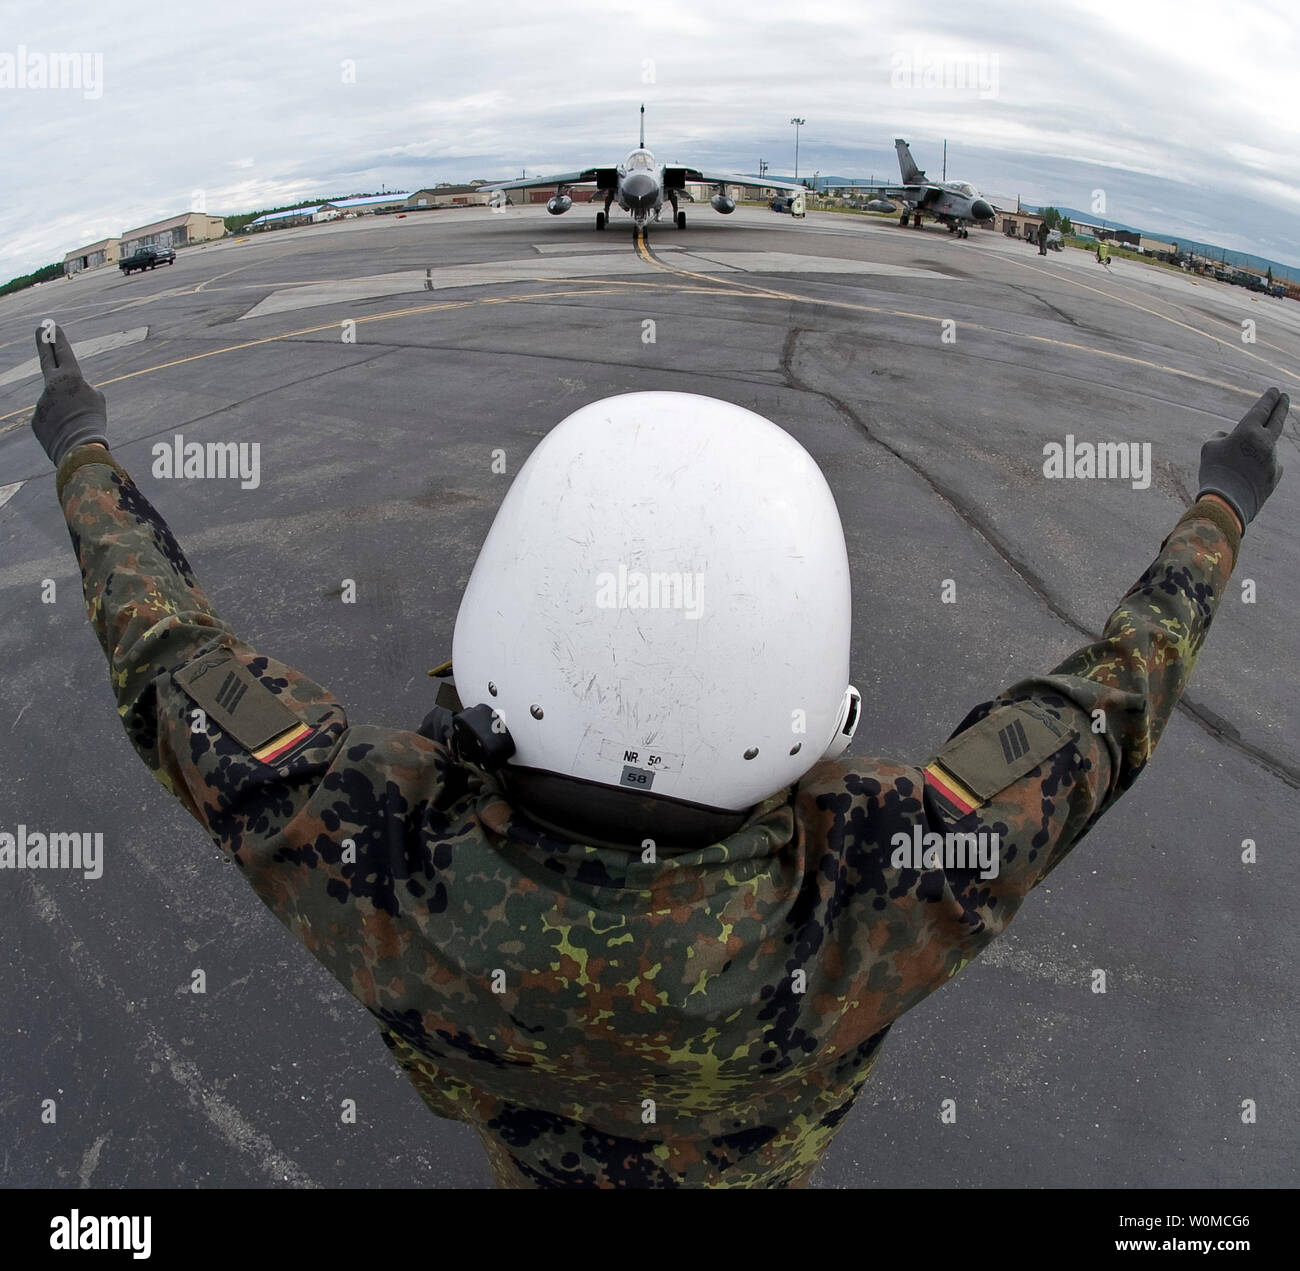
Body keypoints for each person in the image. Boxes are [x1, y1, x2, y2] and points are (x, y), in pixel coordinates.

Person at [30, 322, 1286, 1189]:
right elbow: (1115, 702)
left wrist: (82, 444)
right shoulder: (894, 885)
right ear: (811, 711)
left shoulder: (360, 849)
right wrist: (1222, 499)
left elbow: (161, 648)